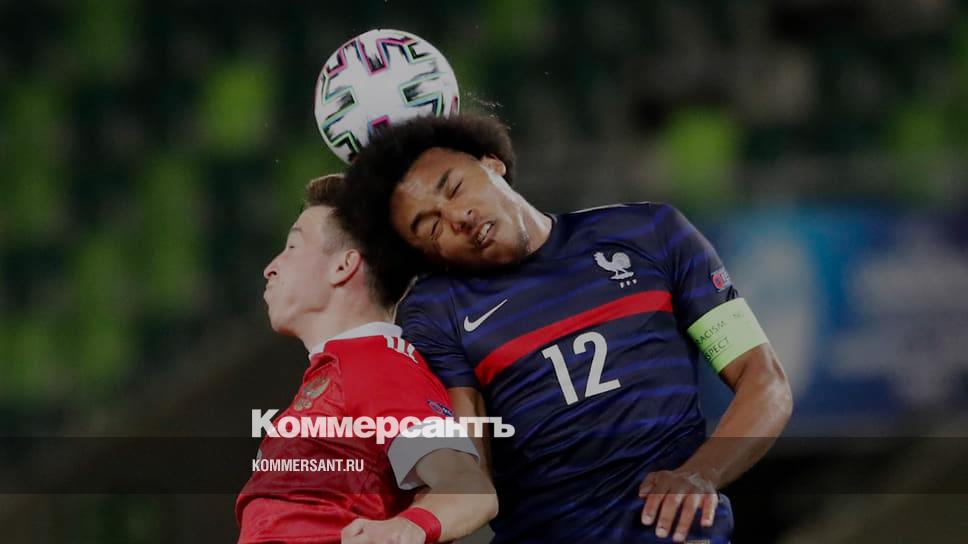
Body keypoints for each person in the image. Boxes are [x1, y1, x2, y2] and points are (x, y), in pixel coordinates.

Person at [335, 115, 794, 543]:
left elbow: (764, 380)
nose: (458, 218)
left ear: (492, 164)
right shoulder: (437, 311)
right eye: (432, 227)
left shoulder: (652, 232)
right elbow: (465, 477)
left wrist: (702, 474)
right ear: (429, 257)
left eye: (455, 188)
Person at [236, 174, 497, 544]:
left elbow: (469, 489)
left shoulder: (379, 366)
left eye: (292, 247)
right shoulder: (346, 371)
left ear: (343, 267)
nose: (271, 267)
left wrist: (403, 530)